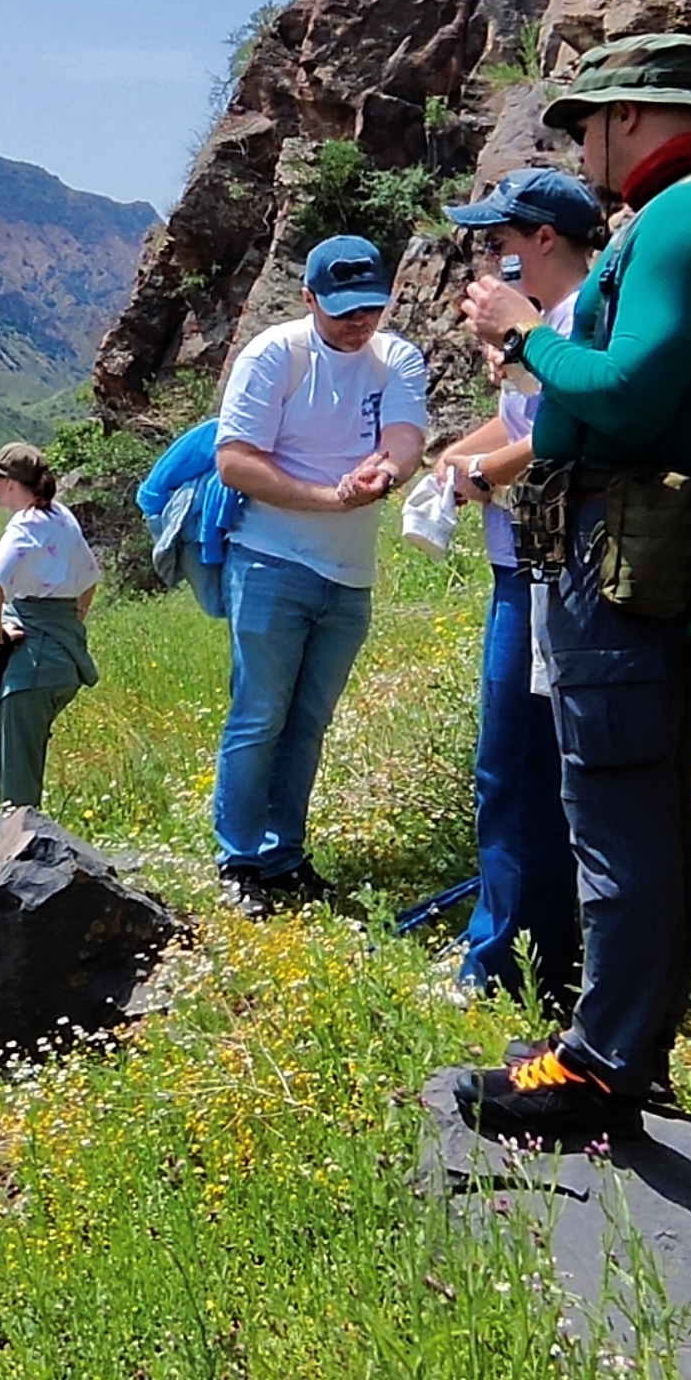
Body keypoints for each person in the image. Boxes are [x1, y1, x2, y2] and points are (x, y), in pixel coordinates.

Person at [443, 33, 691, 1143]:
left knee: (613, 808)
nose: (581, 148)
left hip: (625, 541)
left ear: (632, 116)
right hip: (627, 536)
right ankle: (619, 1042)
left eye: (585, 122)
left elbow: (633, 395)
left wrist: (525, 334)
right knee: (641, 805)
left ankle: (599, 1069)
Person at [208, 234, 433, 907]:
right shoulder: (275, 355)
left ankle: (285, 855)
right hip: (271, 559)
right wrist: (327, 498)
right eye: (343, 311)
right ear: (308, 300)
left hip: (348, 574)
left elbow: (405, 435)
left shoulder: (397, 359)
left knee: (307, 720)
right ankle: (238, 861)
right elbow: (235, 460)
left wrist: (386, 471)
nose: (359, 322)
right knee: (259, 713)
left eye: (370, 307)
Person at [433, 166, 606, 1014]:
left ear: (545, 239)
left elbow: (556, 439)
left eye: (502, 239)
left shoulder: (569, 325)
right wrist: (458, 451)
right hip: (523, 563)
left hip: (543, 569)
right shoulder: (548, 328)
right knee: (525, 763)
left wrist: (472, 478)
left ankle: (500, 963)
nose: (491, 255)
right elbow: (517, 423)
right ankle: (528, 943)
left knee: (515, 766)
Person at [0, 441, 101, 811]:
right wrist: (70, 622)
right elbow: (90, 578)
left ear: (11, 483)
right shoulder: (61, 516)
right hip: (64, 658)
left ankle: (25, 857)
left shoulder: (24, 527)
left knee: (17, 778)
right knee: (3, 756)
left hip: (32, 668)